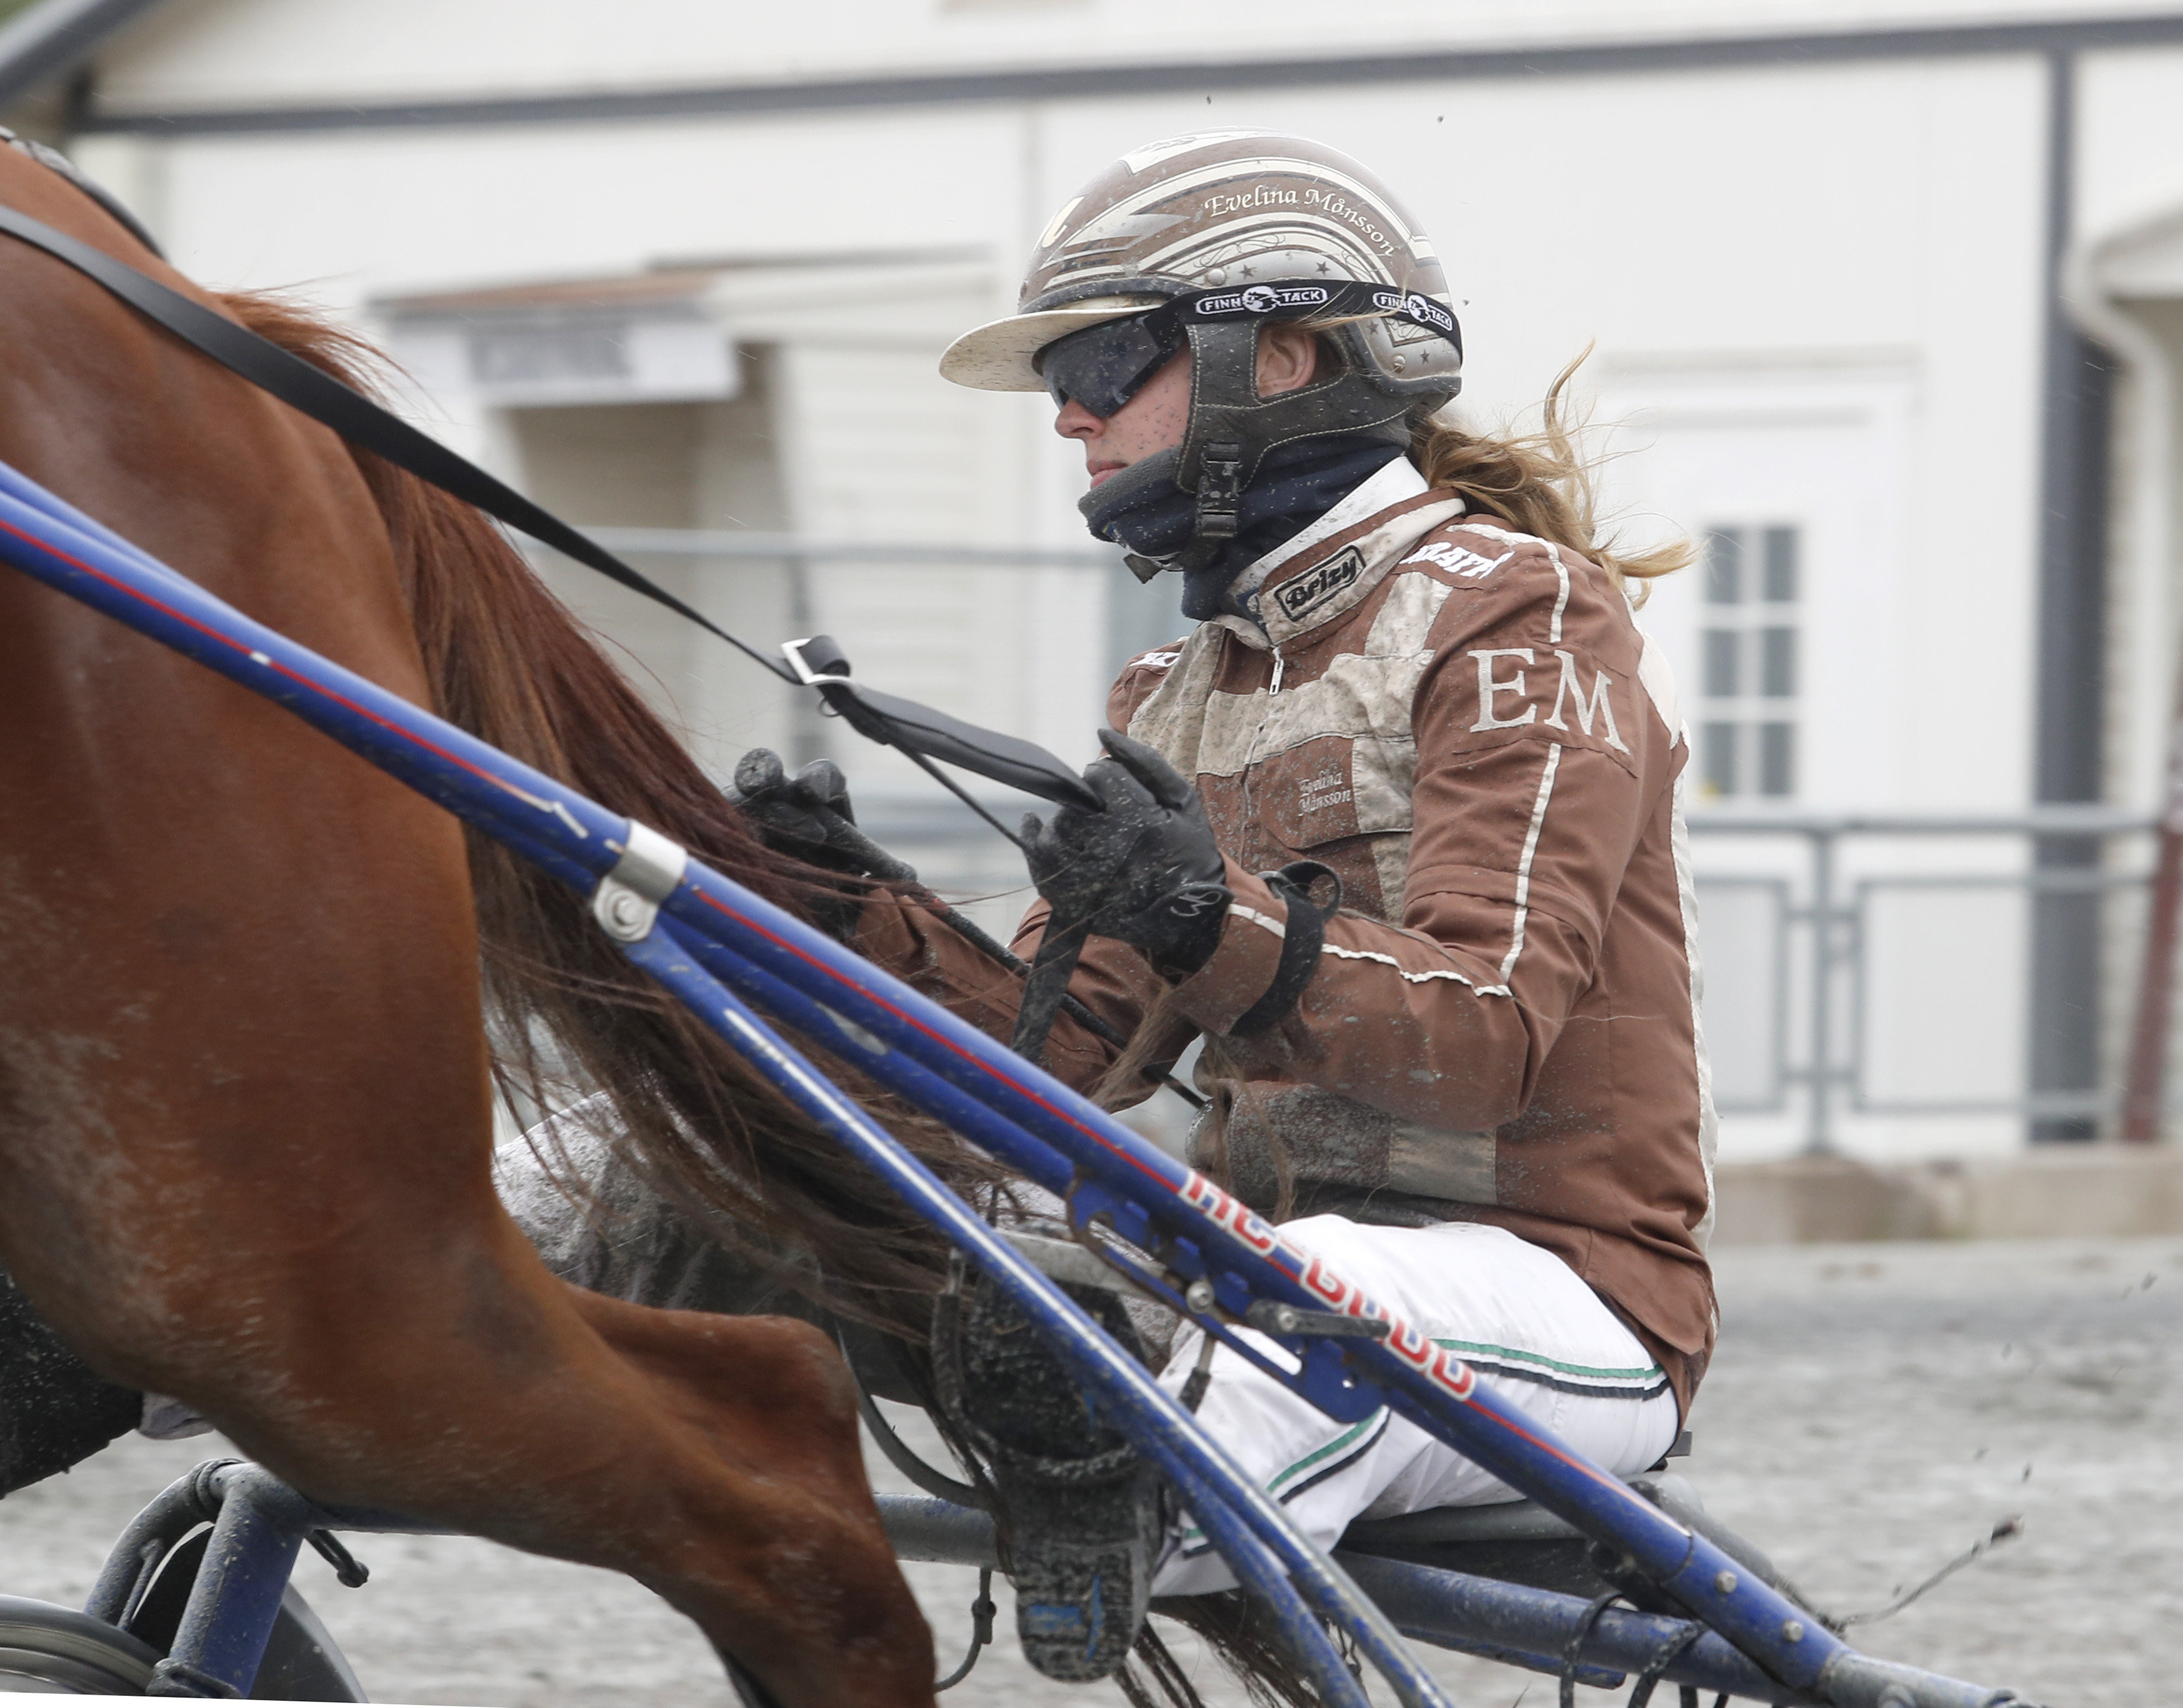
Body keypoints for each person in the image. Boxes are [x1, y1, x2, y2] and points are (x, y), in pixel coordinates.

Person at [512, 129, 1713, 1688]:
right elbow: (1054, 1059)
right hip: (1259, 1270)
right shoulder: (1170, 688)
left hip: (1557, 1291)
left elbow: (1480, 1039)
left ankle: (1132, 1480)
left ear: (1278, 357)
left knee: (1295, 1304)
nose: (1067, 411)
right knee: (684, 1151)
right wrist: (832, 913)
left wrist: (1195, 911)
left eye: (1104, 359)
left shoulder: (1523, 611)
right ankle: (222, 1346)